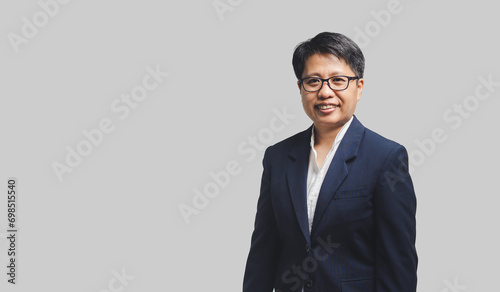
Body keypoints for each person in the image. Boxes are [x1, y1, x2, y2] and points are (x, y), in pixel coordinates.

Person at [243, 32, 418, 292]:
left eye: (338, 80)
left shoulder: (386, 159)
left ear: (359, 87)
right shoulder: (277, 157)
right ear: (301, 89)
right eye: (313, 81)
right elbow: (263, 252)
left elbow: (398, 264)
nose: (325, 92)